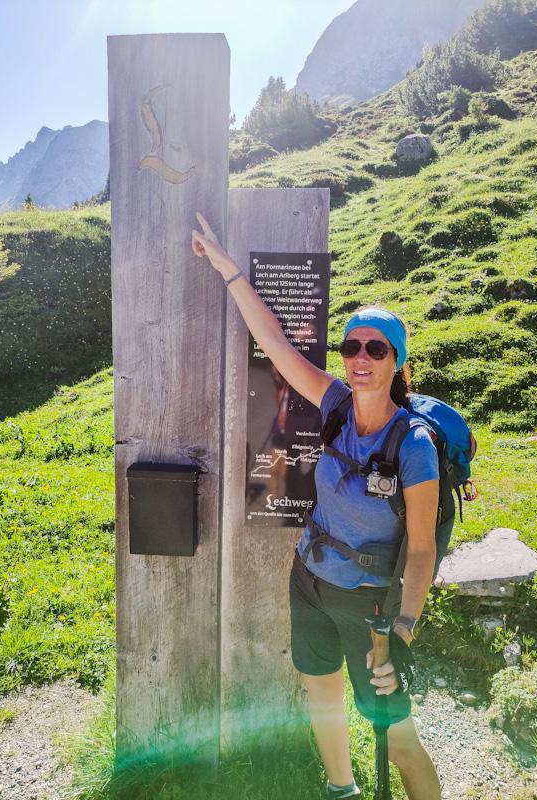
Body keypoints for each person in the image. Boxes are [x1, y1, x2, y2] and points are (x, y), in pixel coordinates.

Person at [191, 212, 442, 800]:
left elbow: (424, 546)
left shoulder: (415, 445)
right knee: (321, 694)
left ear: (397, 362)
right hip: (308, 579)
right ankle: (340, 790)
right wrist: (228, 270)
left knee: (396, 735)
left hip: (370, 603)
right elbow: (274, 343)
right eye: (351, 345)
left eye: (376, 348)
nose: (360, 356)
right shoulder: (332, 401)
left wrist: (403, 629)